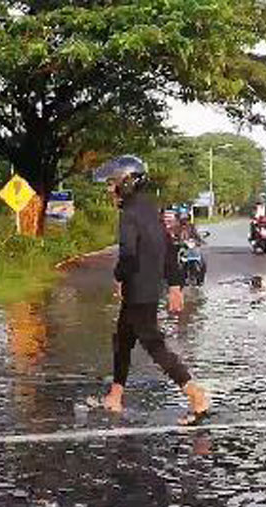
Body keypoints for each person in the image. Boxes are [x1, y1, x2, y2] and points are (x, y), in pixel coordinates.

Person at [93, 156, 210, 424]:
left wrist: (119, 277)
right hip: (147, 287)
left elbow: (128, 255)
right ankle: (115, 395)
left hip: (138, 289)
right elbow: (168, 250)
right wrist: (175, 285)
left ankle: (195, 395)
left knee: (154, 344)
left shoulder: (130, 215)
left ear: (128, 182)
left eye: (113, 184)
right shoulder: (148, 210)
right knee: (123, 339)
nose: (110, 189)